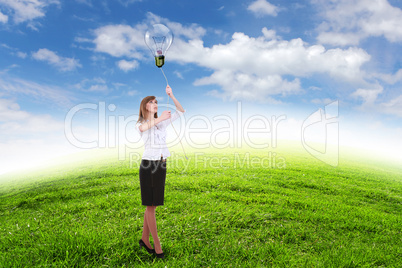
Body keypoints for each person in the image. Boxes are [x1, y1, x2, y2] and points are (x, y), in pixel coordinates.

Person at [135, 85, 185, 259]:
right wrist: (160, 117)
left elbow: (181, 110)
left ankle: (143, 239)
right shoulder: (141, 124)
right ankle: (157, 246)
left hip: (161, 164)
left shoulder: (161, 122)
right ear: (145, 106)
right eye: (151, 102)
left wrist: (171, 95)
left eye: (156, 101)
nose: (155, 103)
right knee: (150, 206)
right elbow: (143, 128)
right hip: (149, 165)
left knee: (153, 204)